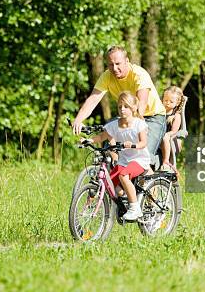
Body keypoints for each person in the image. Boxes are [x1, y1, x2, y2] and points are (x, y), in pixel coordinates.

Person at [72, 46, 167, 167]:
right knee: (108, 145)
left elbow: (141, 103)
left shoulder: (139, 74)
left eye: (118, 64)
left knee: (140, 157)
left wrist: (133, 127)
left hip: (152, 116)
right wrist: (78, 120)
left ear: (127, 61)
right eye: (111, 65)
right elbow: (93, 99)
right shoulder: (107, 76)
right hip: (127, 116)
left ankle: (153, 176)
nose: (115, 68)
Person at [82, 91, 152, 221]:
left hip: (139, 160)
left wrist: (132, 145)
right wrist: (90, 140)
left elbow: (143, 143)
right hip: (124, 161)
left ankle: (135, 208)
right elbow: (103, 136)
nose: (122, 110)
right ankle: (126, 200)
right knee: (112, 184)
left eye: (126, 107)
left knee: (123, 175)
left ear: (133, 108)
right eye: (120, 107)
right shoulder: (114, 124)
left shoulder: (139, 124)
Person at [160, 86, 184, 173]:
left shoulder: (176, 116)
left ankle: (166, 161)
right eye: (165, 100)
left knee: (165, 136)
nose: (167, 103)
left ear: (177, 103)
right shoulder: (159, 112)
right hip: (158, 137)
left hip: (170, 138)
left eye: (171, 101)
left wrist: (167, 134)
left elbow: (174, 131)